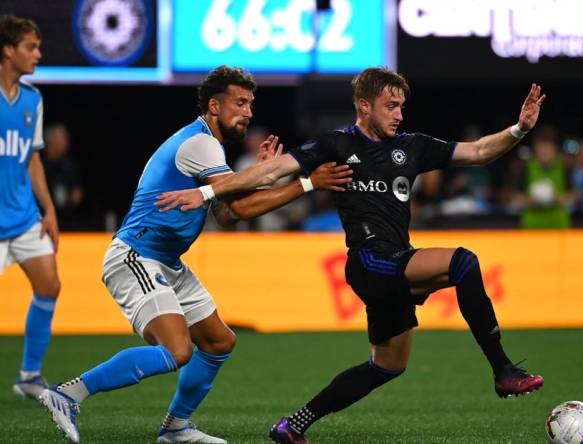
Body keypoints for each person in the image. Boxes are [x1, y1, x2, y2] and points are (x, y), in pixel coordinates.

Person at [156, 67, 547, 444]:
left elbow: (479, 152)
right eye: (390, 106)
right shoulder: (337, 145)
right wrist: (206, 193)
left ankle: (293, 425)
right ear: (364, 106)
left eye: (401, 106)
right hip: (368, 262)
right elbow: (270, 173)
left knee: (388, 366)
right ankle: (503, 370)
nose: (399, 113)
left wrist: (519, 130)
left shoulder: (413, 147)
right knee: (463, 262)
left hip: (396, 261)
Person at [38, 65, 352, 444]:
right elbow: (238, 206)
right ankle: (67, 393)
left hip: (167, 261)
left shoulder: (208, 147)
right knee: (176, 350)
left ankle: (175, 428)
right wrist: (304, 182)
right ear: (214, 106)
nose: (249, 111)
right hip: (136, 255)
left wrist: (261, 174)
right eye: (240, 102)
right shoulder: (200, 144)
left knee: (219, 341)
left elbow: (229, 212)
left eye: (251, 103)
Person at [0, 14, 61, 401]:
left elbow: (33, 158)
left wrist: (49, 210)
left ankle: (28, 376)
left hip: (24, 218)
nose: (37, 54)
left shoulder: (33, 99)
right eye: (30, 47)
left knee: (49, 285)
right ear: (8, 50)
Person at [520, 126, 572, 229]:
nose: (544, 152)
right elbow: (515, 195)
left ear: (554, 149)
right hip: (532, 226)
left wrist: (558, 199)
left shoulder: (564, 167)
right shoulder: (527, 168)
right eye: (541, 148)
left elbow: (574, 193)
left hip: (559, 225)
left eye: (548, 147)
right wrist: (530, 201)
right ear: (535, 148)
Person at [42, 123, 85, 230]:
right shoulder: (41, 166)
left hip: (68, 218)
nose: (67, 142)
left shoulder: (69, 165)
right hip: (45, 219)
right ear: (52, 141)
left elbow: (77, 190)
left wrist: (76, 194)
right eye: (63, 138)